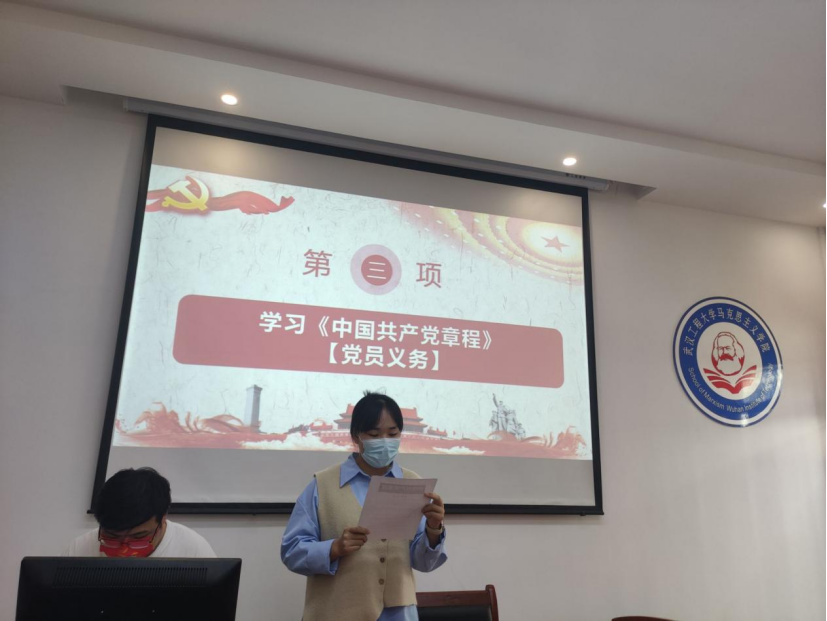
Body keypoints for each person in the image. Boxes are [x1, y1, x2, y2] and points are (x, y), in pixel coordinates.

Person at [281, 392, 447, 621]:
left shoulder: (413, 483)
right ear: (355, 436)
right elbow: (291, 551)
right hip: (337, 613)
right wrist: (334, 548)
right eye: (374, 434)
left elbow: (424, 563)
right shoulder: (323, 484)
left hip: (399, 614)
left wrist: (433, 529)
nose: (385, 441)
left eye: (393, 434)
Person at [64, 467, 216, 558]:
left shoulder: (193, 550)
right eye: (112, 537)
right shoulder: (79, 549)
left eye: (139, 537)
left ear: (163, 519)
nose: (123, 551)